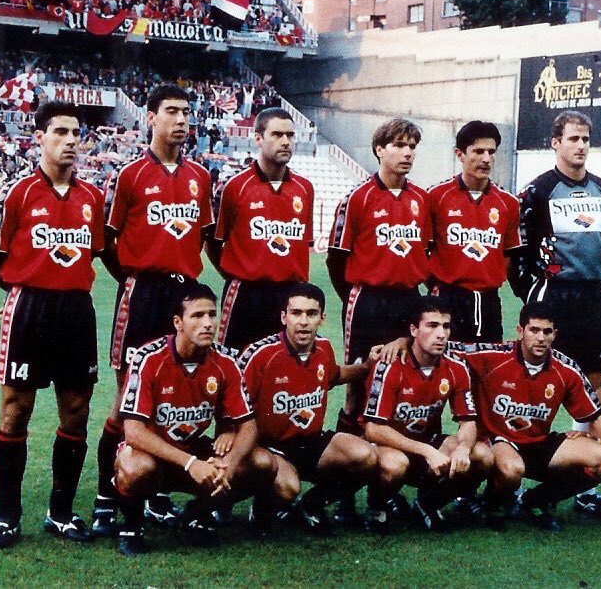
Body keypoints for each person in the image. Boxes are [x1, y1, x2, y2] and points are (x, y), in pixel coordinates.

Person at [0, 101, 105, 549]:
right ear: (40, 138)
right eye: (61, 132)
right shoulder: (16, 193)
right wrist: (17, 293)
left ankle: (61, 512)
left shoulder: (92, 198)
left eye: (76, 133)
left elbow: (97, 254)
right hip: (29, 309)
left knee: (76, 409)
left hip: (76, 311)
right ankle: (7, 515)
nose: (71, 141)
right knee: (16, 409)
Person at [91, 83, 214, 535]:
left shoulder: (200, 176)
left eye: (186, 112)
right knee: (126, 405)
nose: (181, 120)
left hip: (182, 296)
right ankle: (108, 496)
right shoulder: (128, 175)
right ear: (150, 117)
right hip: (142, 294)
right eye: (171, 112)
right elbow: (105, 239)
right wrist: (132, 276)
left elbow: (201, 234)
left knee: (174, 398)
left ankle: (157, 493)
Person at [513, 109, 601, 519]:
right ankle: (512, 471)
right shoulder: (538, 190)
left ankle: (584, 479)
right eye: (572, 139)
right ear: (555, 143)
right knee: (532, 377)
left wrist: (594, 277)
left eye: (585, 140)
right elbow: (518, 250)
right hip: (551, 295)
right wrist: (535, 295)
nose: (580, 146)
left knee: (593, 384)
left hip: (592, 297)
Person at [112, 282, 277, 556]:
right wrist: (191, 464)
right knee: (134, 466)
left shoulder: (225, 361)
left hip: (194, 450)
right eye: (197, 316)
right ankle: (131, 527)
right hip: (155, 454)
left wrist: (229, 464)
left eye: (212, 315)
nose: (208, 323)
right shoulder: (149, 358)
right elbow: (133, 432)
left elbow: (248, 425)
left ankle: (196, 516)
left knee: (263, 463)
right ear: (178, 322)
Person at [326, 117, 431, 521]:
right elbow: (337, 259)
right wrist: (355, 296)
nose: (406, 153)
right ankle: (347, 483)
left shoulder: (422, 200)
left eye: (411, 147)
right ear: (379, 150)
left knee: (407, 384)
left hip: (408, 300)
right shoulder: (358, 198)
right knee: (359, 384)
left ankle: (389, 486)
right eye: (399, 145)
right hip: (367, 300)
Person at [450, 301, 601, 531]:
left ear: (555, 334)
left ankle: (534, 501)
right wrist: (404, 342)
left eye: (547, 331)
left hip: (537, 443)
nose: (540, 338)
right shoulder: (493, 356)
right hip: (498, 441)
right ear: (520, 331)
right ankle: (492, 503)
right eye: (534, 330)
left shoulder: (566, 369)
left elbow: (598, 416)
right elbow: (446, 349)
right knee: (512, 468)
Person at [236, 283, 381, 535]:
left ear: (322, 318)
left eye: (311, 314)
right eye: (296, 313)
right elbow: (233, 403)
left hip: (310, 441)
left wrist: (367, 366)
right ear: (284, 317)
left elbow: (335, 376)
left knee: (367, 457)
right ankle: (263, 507)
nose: (303, 322)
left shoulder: (323, 348)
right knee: (287, 487)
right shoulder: (261, 354)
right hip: (270, 445)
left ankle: (311, 506)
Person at [360, 296, 487, 532]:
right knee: (395, 464)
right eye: (432, 326)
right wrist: (427, 451)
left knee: (482, 455)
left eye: (446, 327)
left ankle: (426, 504)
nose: (441, 334)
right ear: (414, 330)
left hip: (426, 441)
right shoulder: (390, 365)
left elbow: (468, 422)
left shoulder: (456, 367)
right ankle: (377, 506)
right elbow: (373, 429)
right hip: (389, 444)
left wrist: (463, 447)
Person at [206, 107, 314, 352]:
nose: (285, 142)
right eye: (277, 134)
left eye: (290, 135)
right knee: (235, 368)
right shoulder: (235, 187)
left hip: (291, 295)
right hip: (246, 294)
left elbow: (303, 244)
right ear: (258, 138)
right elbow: (213, 243)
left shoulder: (305, 189)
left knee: (287, 371)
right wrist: (237, 275)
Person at [428, 120, 520, 342]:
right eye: (478, 151)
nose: (486, 159)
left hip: (489, 300)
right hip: (448, 299)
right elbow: (424, 251)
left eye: (491, 152)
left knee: (488, 366)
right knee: (447, 368)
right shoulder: (436, 197)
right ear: (460, 154)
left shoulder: (508, 202)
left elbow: (509, 255)